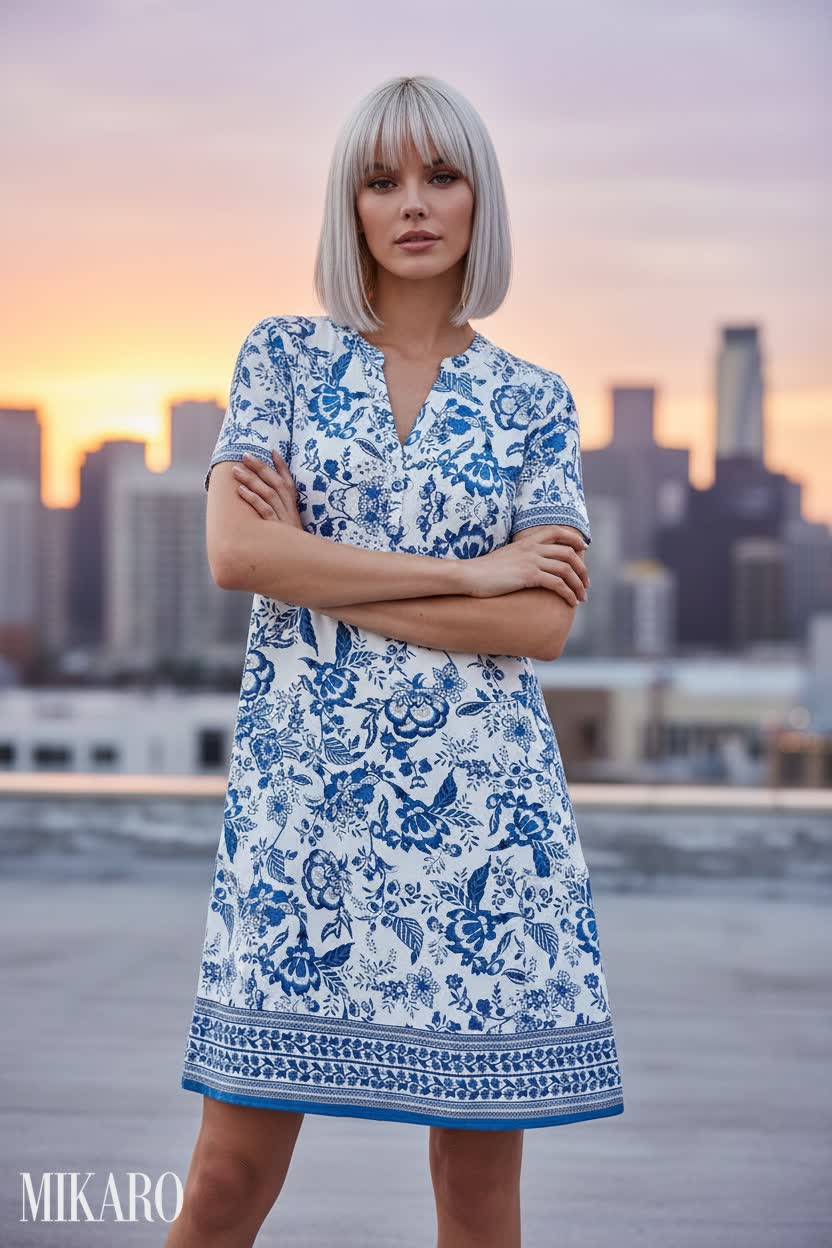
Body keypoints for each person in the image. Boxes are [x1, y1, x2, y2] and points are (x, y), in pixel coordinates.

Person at [167, 74, 624, 1248]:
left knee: (477, 1199)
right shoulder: (280, 359)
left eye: (441, 175)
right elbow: (233, 555)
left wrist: (312, 561)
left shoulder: (532, 401)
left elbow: (540, 630)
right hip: (301, 817)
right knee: (225, 1180)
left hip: (485, 832)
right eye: (382, 181)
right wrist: (472, 574)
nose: (412, 204)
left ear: (482, 199)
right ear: (349, 205)